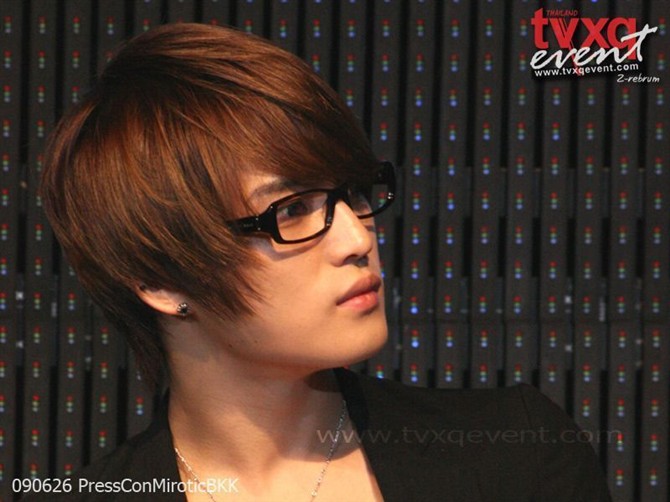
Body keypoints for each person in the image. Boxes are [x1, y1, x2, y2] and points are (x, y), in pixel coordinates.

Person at [34, 23, 610, 502]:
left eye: (352, 193)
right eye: (291, 210)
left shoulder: (516, 455)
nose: (357, 238)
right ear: (161, 281)